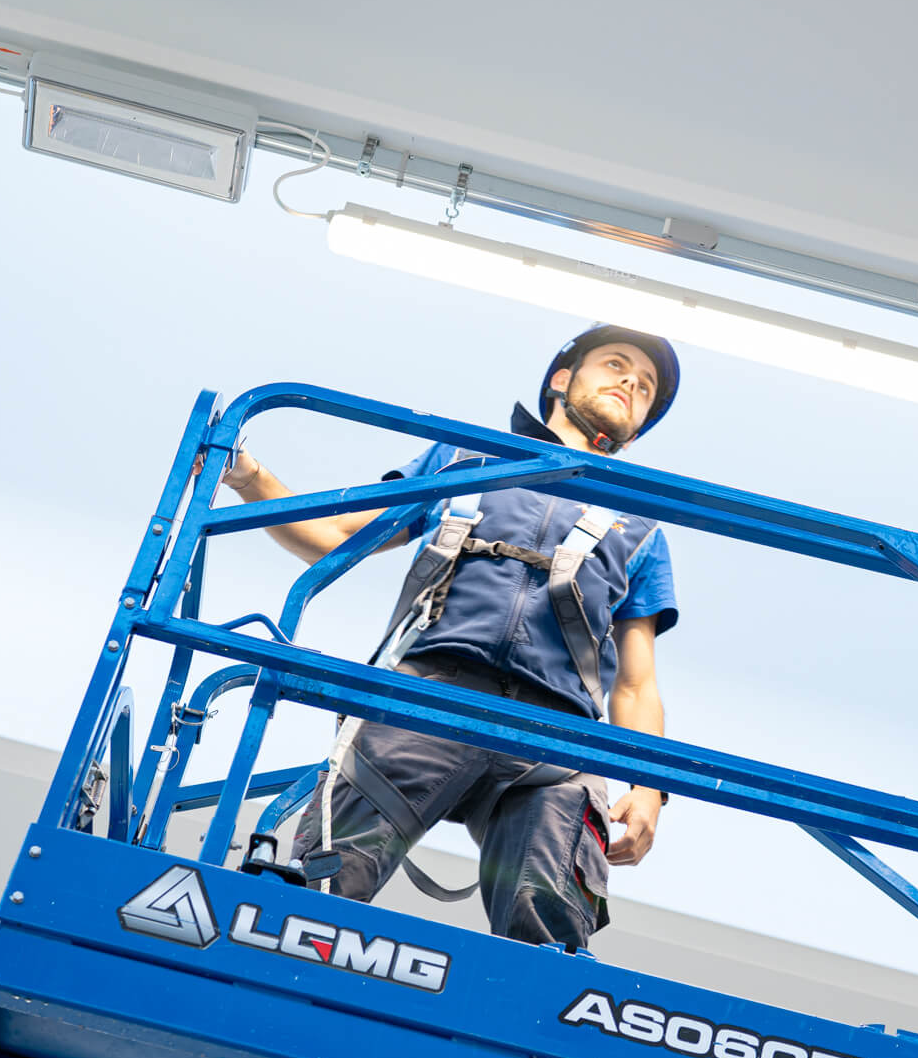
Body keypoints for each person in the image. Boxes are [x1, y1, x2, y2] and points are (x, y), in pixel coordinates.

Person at [220, 324, 681, 948]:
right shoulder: (464, 459)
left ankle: (531, 1005)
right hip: (426, 698)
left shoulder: (642, 528)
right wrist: (248, 476)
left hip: (556, 739)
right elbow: (334, 537)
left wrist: (649, 789)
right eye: (616, 364)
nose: (631, 382)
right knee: (321, 888)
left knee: (549, 928)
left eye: (646, 386)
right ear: (561, 379)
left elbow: (636, 682)